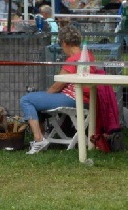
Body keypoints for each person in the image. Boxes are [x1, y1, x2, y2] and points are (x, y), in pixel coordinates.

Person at [20, 25, 94, 154]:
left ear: (64, 43)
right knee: (36, 98)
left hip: (73, 98)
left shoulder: (72, 60)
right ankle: (43, 135)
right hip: (86, 98)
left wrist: (46, 94)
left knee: (27, 99)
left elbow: (57, 86)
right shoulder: (88, 55)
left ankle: (39, 139)